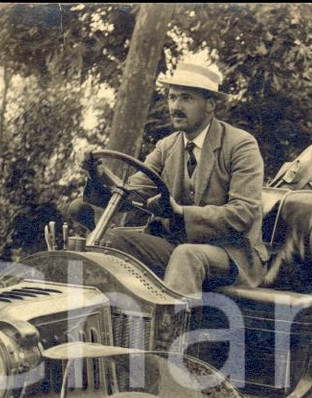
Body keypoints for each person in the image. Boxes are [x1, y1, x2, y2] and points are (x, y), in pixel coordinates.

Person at [96, 62, 268, 298]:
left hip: (232, 254)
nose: (175, 106)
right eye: (172, 97)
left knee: (188, 254)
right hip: (176, 245)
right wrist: (98, 176)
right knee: (109, 239)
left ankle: (170, 334)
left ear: (210, 104)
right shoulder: (166, 147)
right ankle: (113, 327)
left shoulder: (240, 145)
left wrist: (181, 213)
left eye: (186, 98)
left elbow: (243, 213)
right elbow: (132, 192)